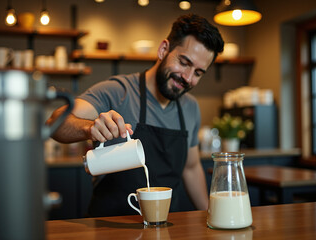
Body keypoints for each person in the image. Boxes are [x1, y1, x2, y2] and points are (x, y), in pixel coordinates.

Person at [46, 13, 224, 217]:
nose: (188, 78)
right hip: (110, 226)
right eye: (184, 62)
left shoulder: (190, 107)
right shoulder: (116, 92)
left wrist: (211, 217)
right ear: (163, 49)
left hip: (165, 226)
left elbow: (191, 168)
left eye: (199, 73)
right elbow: (55, 122)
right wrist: (90, 128)